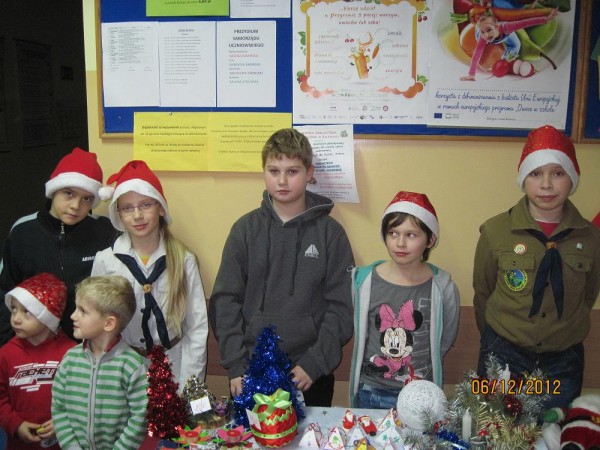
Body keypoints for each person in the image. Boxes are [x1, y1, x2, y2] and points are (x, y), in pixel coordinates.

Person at [209, 128, 355, 407]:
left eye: (293, 171)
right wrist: (235, 363)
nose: (283, 180)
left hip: (310, 374)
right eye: (274, 171)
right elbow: (226, 301)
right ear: (264, 172)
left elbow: (342, 306)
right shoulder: (245, 230)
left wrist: (316, 361)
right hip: (251, 369)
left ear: (309, 172)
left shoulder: (330, 234)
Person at [474, 125, 600, 409]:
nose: (546, 185)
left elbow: (588, 295)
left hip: (563, 361)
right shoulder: (496, 231)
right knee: (494, 425)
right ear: (523, 179)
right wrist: (495, 342)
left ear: (572, 178)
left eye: (558, 173)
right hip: (503, 354)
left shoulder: (592, 239)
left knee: (554, 428)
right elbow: (483, 292)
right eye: (535, 173)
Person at [91, 160, 208, 388]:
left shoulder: (183, 260)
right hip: (124, 367)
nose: (137, 215)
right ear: (118, 214)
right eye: (127, 208)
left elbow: (197, 326)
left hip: (175, 366)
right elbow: (97, 325)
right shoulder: (106, 261)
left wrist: (189, 385)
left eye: (145, 205)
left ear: (161, 208)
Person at [349, 191, 460, 408]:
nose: (400, 243)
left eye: (411, 235)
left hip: (421, 393)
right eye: (393, 233)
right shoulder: (364, 282)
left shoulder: (442, 287)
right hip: (370, 391)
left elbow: (445, 337)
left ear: (430, 240)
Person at [0, 148, 117, 345]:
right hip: (33, 344)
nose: (76, 205)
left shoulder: (104, 231)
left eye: (87, 198)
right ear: (54, 191)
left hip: (87, 345)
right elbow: (5, 291)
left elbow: (115, 293)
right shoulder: (23, 231)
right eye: (68, 193)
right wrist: (9, 345)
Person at [52, 275, 148, 449]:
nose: (73, 316)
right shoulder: (69, 360)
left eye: (83, 311)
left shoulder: (131, 365)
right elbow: (59, 408)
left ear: (109, 323)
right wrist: (72, 446)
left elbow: (140, 418)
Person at [0, 273, 76, 449]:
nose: (15, 319)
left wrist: (64, 422)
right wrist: (15, 424)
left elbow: (81, 397)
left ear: (47, 316)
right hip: (19, 444)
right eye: (13, 309)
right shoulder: (5, 354)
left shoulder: (72, 354)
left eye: (26, 311)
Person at [460, 7, 558, 81]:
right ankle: (482, 30)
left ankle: (506, 59)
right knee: (480, 44)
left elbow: (525, 23)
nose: (486, 34)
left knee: (516, 45)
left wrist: (545, 19)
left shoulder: (507, 27)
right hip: (481, 32)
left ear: (497, 26)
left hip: (504, 34)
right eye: (483, 32)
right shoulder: (482, 37)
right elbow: (476, 55)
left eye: (489, 30)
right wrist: (471, 74)